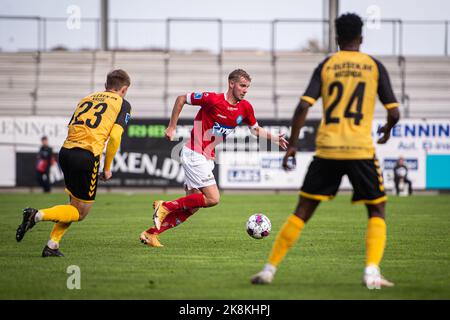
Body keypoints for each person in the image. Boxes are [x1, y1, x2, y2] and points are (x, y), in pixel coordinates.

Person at [250, 13, 400, 289]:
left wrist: (292, 145)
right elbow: (394, 111)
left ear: (337, 38)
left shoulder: (327, 65)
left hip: (328, 148)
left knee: (303, 210)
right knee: (377, 209)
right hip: (360, 150)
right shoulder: (374, 66)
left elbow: (303, 107)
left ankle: (269, 270)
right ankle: (371, 273)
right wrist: (388, 129)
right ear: (362, 38)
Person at [139, 69, 288, 247]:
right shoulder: (212, 99)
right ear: (231, 84)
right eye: (242, 86)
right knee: (213, 198)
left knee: (192, 206)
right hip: (194, 152)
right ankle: (165, 206)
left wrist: (274, 138)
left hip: (206, 156)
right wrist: (172, 127)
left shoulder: (245, 107)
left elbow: (255, 129)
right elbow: (181, 99)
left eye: (247, 87)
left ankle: (151, 233)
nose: (245, 90)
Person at [16, 69, 132, 257]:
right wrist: (107, 167)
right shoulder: (122, 103)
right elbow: (116, 137)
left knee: (72, 206)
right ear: (124, 89)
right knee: (80, 213)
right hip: (86, 155)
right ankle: (36, 215)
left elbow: (73, 125)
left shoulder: (86, 98)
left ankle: (52, 245)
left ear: (106, 85)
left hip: (66, 151)